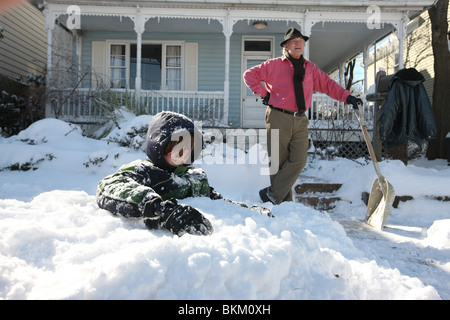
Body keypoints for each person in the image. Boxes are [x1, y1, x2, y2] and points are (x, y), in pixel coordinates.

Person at [243, 27, 362, 205]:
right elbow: (249, 75)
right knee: (278, 161)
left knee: (299, 159)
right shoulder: (273, 65)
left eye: (301, 41)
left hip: (300, 118)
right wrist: (264, 94)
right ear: (286, 46)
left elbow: (329, 85)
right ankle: (283, 202)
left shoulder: (310, 68)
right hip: (278, 116)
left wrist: (348, 97)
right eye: (294, 41)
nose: (298, 44)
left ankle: (273, 194)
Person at [96, 111, 222, 236]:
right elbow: (111, 186)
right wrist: (160, 209)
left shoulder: (194, 177)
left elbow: (221, 203)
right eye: (176, 149)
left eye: (187, 149)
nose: (182, 155)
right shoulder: (145, 171)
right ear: (158, 147)